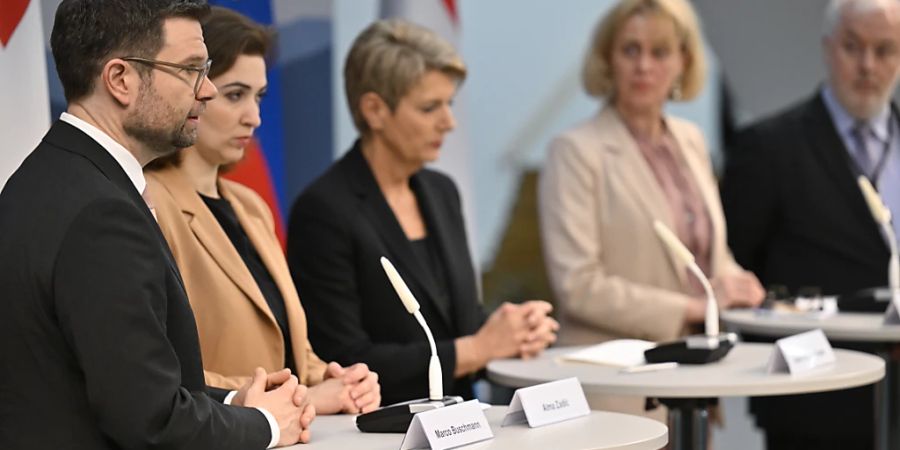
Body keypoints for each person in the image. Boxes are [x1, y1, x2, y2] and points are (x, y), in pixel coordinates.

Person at [0, 1, 315, 448]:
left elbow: (126, 386)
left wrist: (232, 402)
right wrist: (265, 425)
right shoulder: (100, 213)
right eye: (190, 69)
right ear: (120, 79)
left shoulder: (57, 177)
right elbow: (151, 422)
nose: (206, 90)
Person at [287, 19, 559, 405]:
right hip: (383, 432)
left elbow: (458, 323)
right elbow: (344, 361)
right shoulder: (324, 210)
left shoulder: (441, 191)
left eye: (449, 104)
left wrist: (514, 331)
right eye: (430, 107)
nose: (449, 122)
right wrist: (479, 348)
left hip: (465, 421)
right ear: (375, 110)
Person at [144, 6, 381, 416]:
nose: (254, 117)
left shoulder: (251, 207)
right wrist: (302, 398)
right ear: (191, 91)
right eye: (235, 95)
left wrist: (338, 382)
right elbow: (163, 373)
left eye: (259, 97)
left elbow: (295, 356)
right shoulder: (149, 202)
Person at [538, 0, 763, 418]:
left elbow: (705, 251)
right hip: (613, 393)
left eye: (659, 52)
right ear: (608, 59)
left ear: (684, 61)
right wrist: (697, 307)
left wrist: (737, 284)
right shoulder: (574, 151)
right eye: (630, 50)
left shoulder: (691, 139)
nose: (644, 66)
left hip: (692, 383)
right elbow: (578, 285)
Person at [721, 0, 900, 448]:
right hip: (812, 402)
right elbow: (739, 275)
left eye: (885, 50)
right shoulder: (767, 149)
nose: (867, 66)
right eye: (852, 47)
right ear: (827, 48)